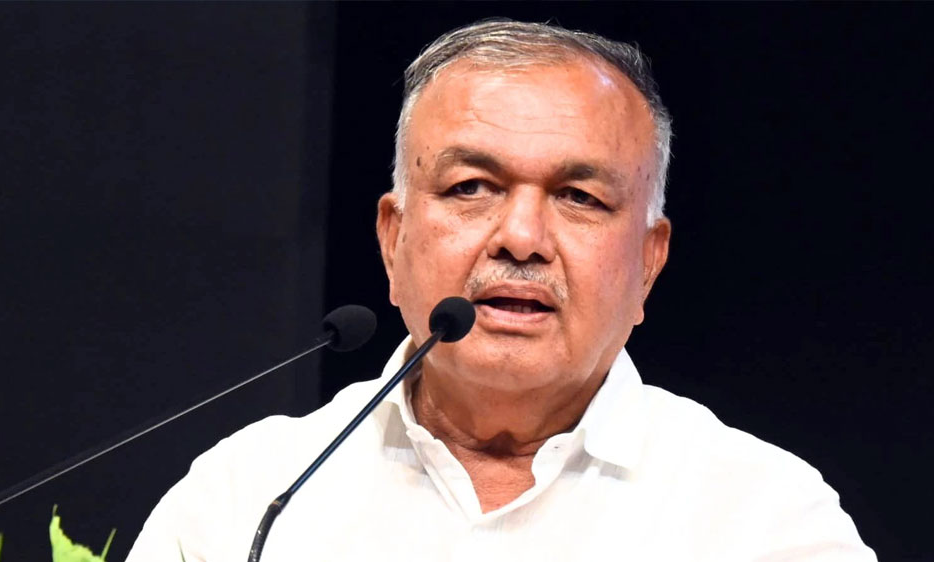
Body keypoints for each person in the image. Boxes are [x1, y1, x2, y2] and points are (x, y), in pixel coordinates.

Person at [127, 19, 876, 561]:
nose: (521, 237)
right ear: (392, 240)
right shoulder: (249, 496)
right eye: (472, 187)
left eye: (579, 197)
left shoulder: (762, 518)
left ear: (649, 263)